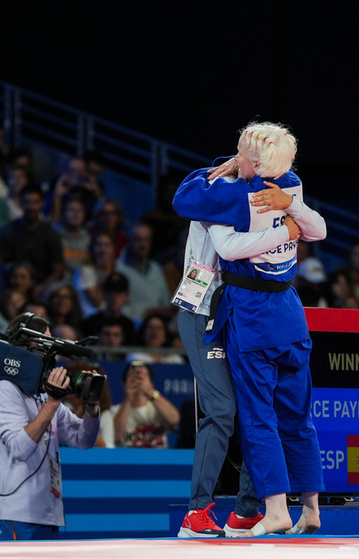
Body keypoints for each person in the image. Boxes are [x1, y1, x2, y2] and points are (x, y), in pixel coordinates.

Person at [172, 121, 326, 536]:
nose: (233, 157)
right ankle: (198, 511)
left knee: (252, 410)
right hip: (204, 307)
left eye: (239, 152)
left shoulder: (278, 189)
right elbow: (211, 230)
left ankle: (248, 509)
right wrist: (288, 225)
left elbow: (317, 226)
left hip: (242, 307)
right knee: (224, 410)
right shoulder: (219, 189)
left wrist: (289, 210)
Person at [0, 314, 100, 540]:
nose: (51, 350)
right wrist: (53, 402)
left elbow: (83, 439)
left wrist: (92, 406)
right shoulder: (5, 390)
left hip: (48, 511)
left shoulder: (41, 395)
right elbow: (20, 447)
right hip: (16, 512)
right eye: (44, 342)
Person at [100, 360, 179, 448]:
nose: (138, 379)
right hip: (129, 459)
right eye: (132, 376)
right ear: (124, 384)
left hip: (159, 458)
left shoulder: (158, 408)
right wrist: (128, 397)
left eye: (143, 376)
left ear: (151, 383)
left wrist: (150, 392)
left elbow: (174, 419)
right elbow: (115, 437)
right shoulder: (114, 411)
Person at [115, 222, 170, 321]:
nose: (143, 244)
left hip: (156, 323)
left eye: (146, 240)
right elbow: (115, 307)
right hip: (129, 325)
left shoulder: (156, 269)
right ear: (129, 241)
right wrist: (145, 312)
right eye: (138, 240)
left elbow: (165, 304)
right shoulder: (118, 269)